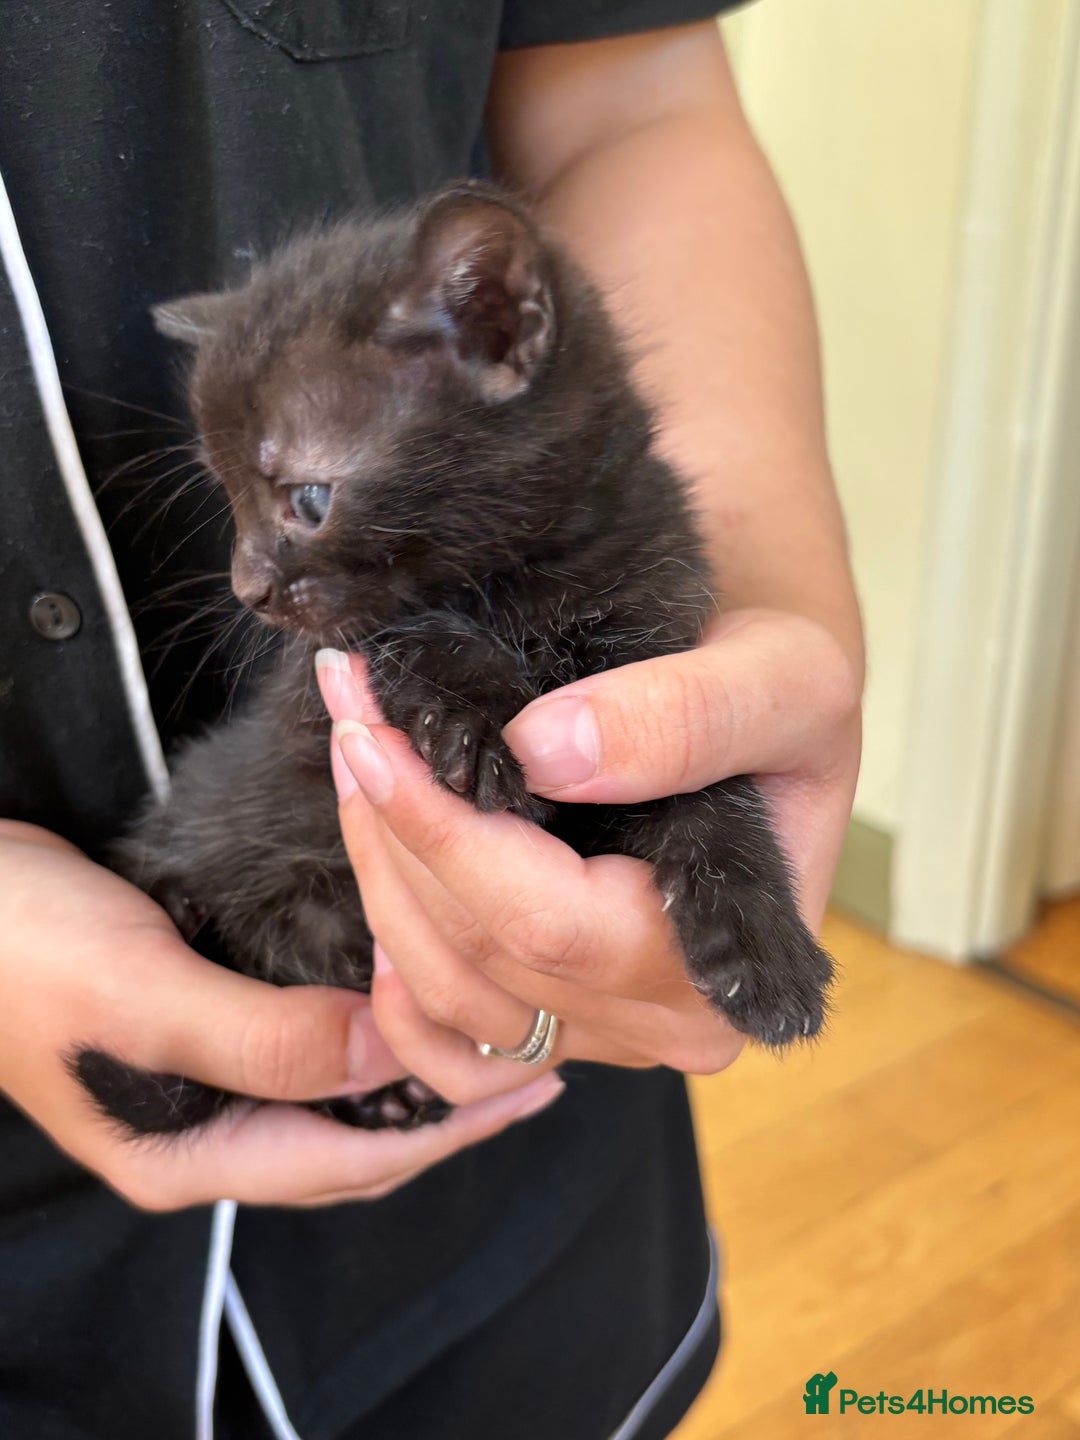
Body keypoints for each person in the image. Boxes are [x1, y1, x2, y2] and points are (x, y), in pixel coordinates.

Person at [0, 4, 863, 1437]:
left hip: (520, 1218)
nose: (247, 579)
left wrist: (770, 635)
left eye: (297, 502)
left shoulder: (481, 404)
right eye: (239, 509)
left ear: (497, 325)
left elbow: (635, 103)